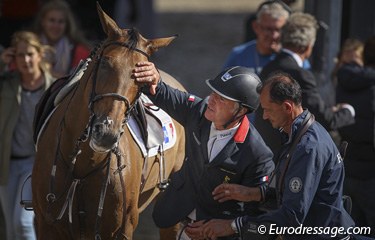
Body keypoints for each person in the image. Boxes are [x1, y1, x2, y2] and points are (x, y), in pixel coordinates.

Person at [184, 73, 355, 240]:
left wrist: (231, 226)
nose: (264, 116)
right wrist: (254, 193)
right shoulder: (300, 133)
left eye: (267, 110)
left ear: (287, 107)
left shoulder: (307, 148)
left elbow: (291, 217)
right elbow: (294, 193)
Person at [133, 63, 275, 239]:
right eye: (213, 92)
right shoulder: (198, 111)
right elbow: (161, 92)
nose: (211, 99)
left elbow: (259, 214)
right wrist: (153, 77)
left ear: (241, 110)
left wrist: (224, 226)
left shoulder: (258, 155)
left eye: (221, 98)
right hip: (179, 222)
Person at [256, 12, 355, 155]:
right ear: (307, 46)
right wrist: (347, 111)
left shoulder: (268, 66)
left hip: (266, 150)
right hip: (289, 154)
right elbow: (325, 119)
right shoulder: (301, 74)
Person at [0, 31, 55, 240]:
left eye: (30, 54)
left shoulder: (53, 88)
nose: (25, 60)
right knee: (11, 230)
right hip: (7, 164)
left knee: (22, 224)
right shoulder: (7, 83)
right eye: (20, 55)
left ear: (40, 55)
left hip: (35, 164)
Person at [336, 35, 375, 237]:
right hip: (369, 169)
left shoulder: (339, 83)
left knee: (352, 227)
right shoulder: (370, 87)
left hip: (347, 164)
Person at [222, 1, 290, 75]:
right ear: (256, 27)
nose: (274, 35)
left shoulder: (290, 56)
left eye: (279, 30)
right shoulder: (239, 54)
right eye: (268, 29)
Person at [32, 0, 91, 78]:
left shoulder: (80, 51)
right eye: (51, 20)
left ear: (67, 24)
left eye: (61, 21)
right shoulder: (28, 48)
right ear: (43, 22)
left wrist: (49, 72)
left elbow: (80, 80)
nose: (56, 26)